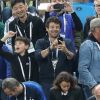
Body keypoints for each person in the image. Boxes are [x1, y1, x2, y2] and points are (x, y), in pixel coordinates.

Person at [35, 16, 75, 99]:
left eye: (57, 27)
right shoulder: (40, 42)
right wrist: (50, 47)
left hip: (64, 81)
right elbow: (38, 56)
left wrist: (66, 51)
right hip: (46, 80)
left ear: (60, 29)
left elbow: (73, 58)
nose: (55, 29)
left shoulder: (67, 42)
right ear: (47, 29)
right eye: (52, 27)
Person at [78, 18, 100, 99]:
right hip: (92, 87)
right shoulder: (86, 45)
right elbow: (82, 68)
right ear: (94, 30)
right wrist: (94, 85)